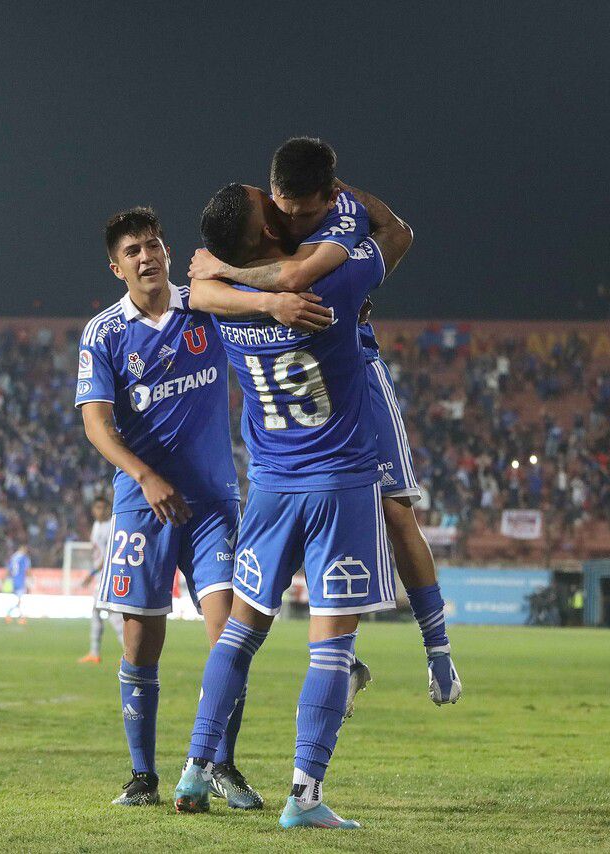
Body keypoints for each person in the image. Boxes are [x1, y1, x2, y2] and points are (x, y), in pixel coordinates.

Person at [174, 178, 412, 830]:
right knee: (332, 649)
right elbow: (396, 235)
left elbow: (195, 288)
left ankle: (195, 768)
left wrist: (228, 273)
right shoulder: (325, 290)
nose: (280, 208)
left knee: (240, 636)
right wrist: (340, 191)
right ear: (264, 235)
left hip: (271, 488)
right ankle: (304, 796)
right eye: (268, 206)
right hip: (338, 488)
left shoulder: (225, 304)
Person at [189, 137, 459, 707]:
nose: (288, 219)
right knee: (322, 501)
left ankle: (436, 648)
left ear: (330, 195)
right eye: (281, 207)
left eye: (301, 211)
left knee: (391, 506)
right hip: (304, 391)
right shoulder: (249, 215)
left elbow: (304, 274)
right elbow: (200, 290)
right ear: (269, 192)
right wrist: (258, 292)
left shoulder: (341, 215)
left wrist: (240, 275)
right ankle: (341, 650)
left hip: (354, 365)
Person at [76, 208, 319, 809]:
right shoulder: (103, 334)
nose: (146, 256)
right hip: (142, 505)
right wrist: (144, 475)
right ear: (116, 266)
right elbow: (96, 425)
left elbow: (270, 296)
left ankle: (220, 763)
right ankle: (143, 776)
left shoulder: (203, 305)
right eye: (132, 250)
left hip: (213, 503)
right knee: (139, 642)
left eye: (153, 244)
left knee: (229, 634)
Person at [79, 496, 124, 663]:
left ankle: (128, 653)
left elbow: (109, 555)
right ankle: (95, 652)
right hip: (101, 576)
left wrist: (91, 574)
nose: (100, 511)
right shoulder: (97, 525)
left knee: (112, 614)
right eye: (97, 507)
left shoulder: (111, 525)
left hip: (107, 575)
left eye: (103, 507)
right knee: (99, 611)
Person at [5, 545, 30, 625]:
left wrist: (7, 579)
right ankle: (18, 617)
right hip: (20, 581)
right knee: (19, 600)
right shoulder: (24, 558)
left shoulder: (13, 557)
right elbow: (27, 569)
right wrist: (30, 578)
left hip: (13, 581)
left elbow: (9, 569)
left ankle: (11, 615)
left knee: (17, 599)